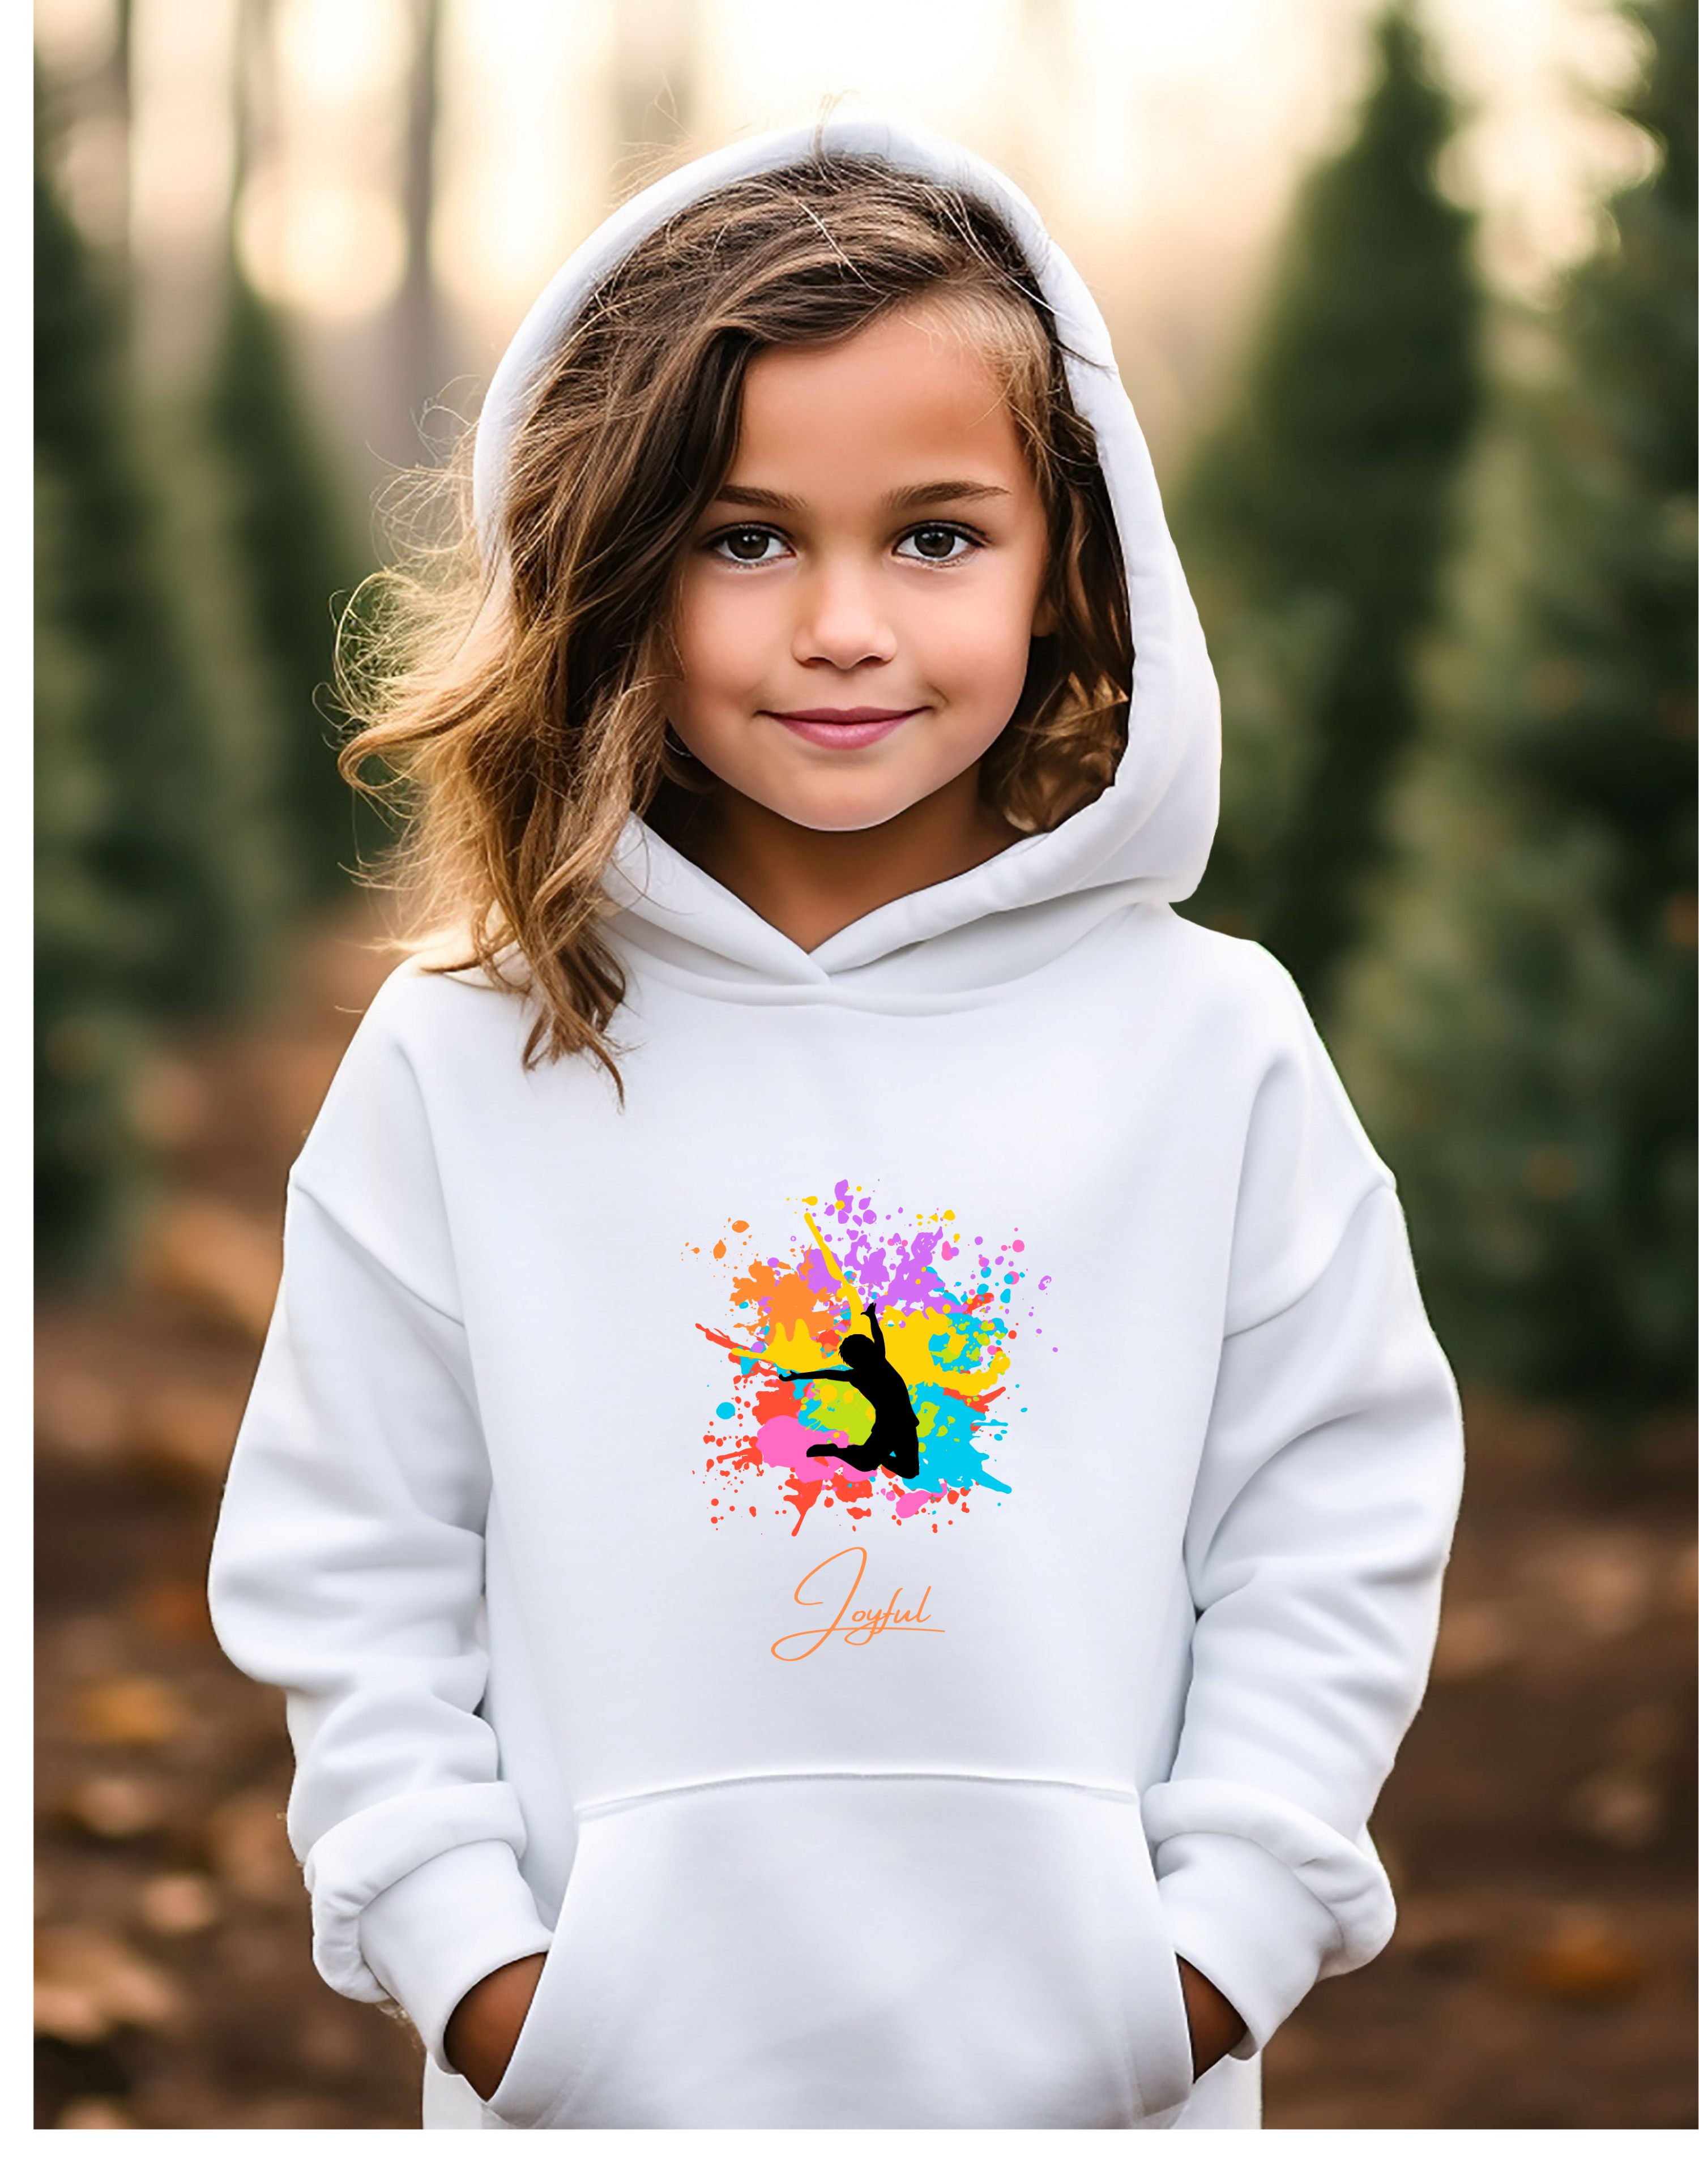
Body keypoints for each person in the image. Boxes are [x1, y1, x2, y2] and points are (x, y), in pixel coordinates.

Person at [208, 116, 1462, 2132]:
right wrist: (482, 1973)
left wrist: (1209, 1952)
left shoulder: (1206, 1042)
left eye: (937, 534)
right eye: (746, 535)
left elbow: (1331, 1512)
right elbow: (349, 1550)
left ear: (1072, 567)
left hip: (1108, 2070)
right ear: (612, 566)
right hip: (591, 2072)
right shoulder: (461, 1057)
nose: (845, 622)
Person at [776, 1296, 923, 1477]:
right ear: (854, 1360)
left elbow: (878, 1337)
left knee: (910, 1471)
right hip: (888, 1426)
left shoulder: (879, 1361)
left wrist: (872, 1317)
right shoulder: (857, 1375)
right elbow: (827, 1373)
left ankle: (868, 1454)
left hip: (906, 1423)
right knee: (866, 1463)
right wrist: (799, 1376)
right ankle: (838, 1451)